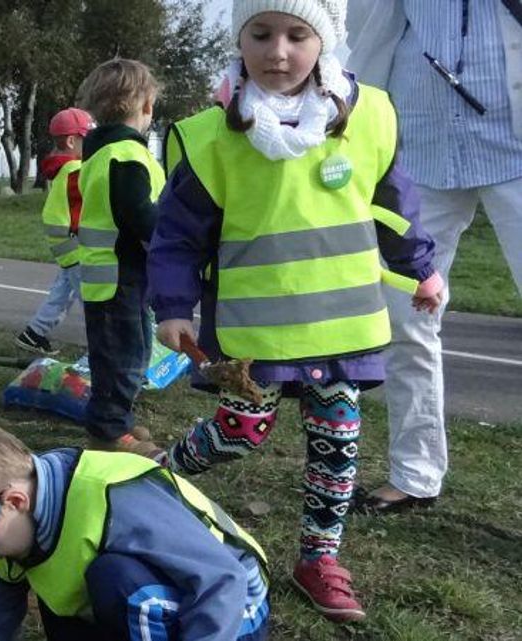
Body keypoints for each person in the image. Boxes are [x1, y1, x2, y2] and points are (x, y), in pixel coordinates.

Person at [149, 0, 443, 623]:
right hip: (255, 338)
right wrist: (173, 307)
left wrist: (421, 266)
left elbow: (394, 205)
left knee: (337, 445)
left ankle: (319, 556)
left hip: (343, 333)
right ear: (240, 39)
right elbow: (177, 234)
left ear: (325, 40)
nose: (277, 51)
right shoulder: (210, 137)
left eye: (296, 34)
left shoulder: (370, 119)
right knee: (239, 433)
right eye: (260, 33)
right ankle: (159, 481)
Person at [346, 0, 522, 512]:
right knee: (405, 318)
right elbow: (368, 33)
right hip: (419, 150)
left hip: (515, 146)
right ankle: (414, 474)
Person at [0, 417, 270, 641]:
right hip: (162, 598)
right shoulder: (9, 522)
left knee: (115, 576)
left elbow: (223, 579)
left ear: (14, 502)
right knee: (57, 590)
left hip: (233, 610)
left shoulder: (117, 499)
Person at [74, 59, 165, 456]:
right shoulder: (126, 154)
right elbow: (139, 214)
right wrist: (172, 238)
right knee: (121, 357)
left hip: (114, 276)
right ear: (146, 106)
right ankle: (107, 433)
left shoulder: (103, 152)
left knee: (132, 349)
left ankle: (119, 420)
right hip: (118, 277)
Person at [14, 108, 95, 357]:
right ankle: (103, 350)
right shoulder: (77, 171)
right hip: (79, 249)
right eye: (88, 139)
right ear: (72, 141)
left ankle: (34, 334)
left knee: (62, 295)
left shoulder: (62, 171)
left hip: (66, 251)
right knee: (94, 304)